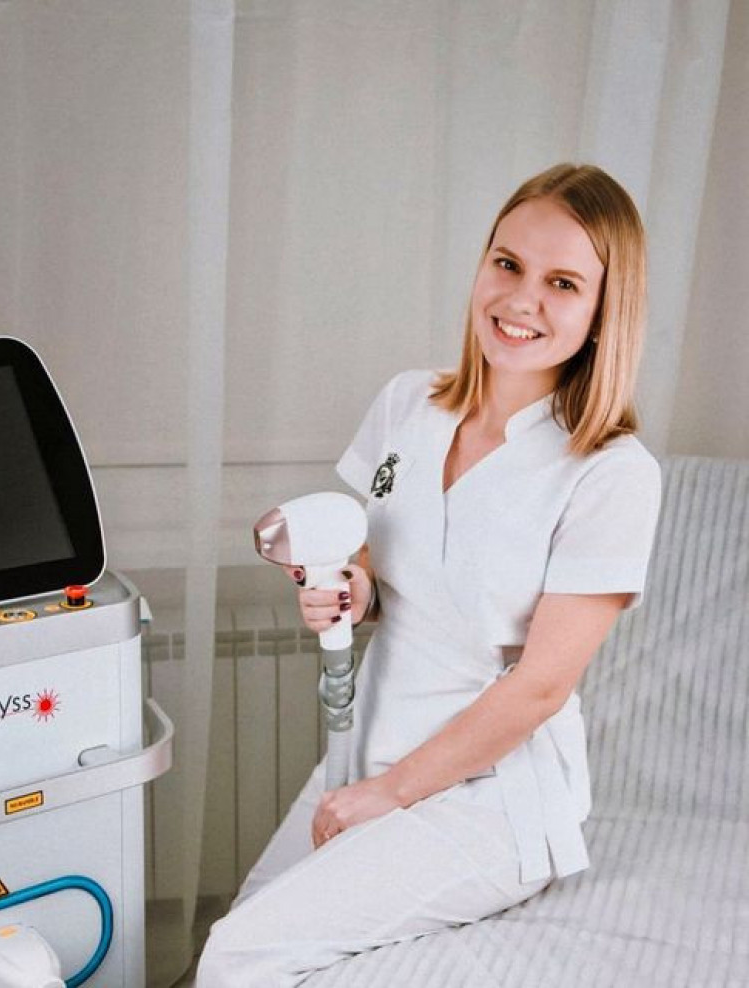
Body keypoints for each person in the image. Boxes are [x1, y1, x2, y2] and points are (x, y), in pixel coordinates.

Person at [196, 162, 663, 986]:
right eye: (508, 263)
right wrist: (354, 591)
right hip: (367, 748)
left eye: (562, 283)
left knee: (243, 956)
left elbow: (540, 688)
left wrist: (394, 794)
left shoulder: (611, 473)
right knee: (236, 935)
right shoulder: (410, 404)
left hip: (489, 796)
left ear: (603, 312)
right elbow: (384, 566)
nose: (521, 300)